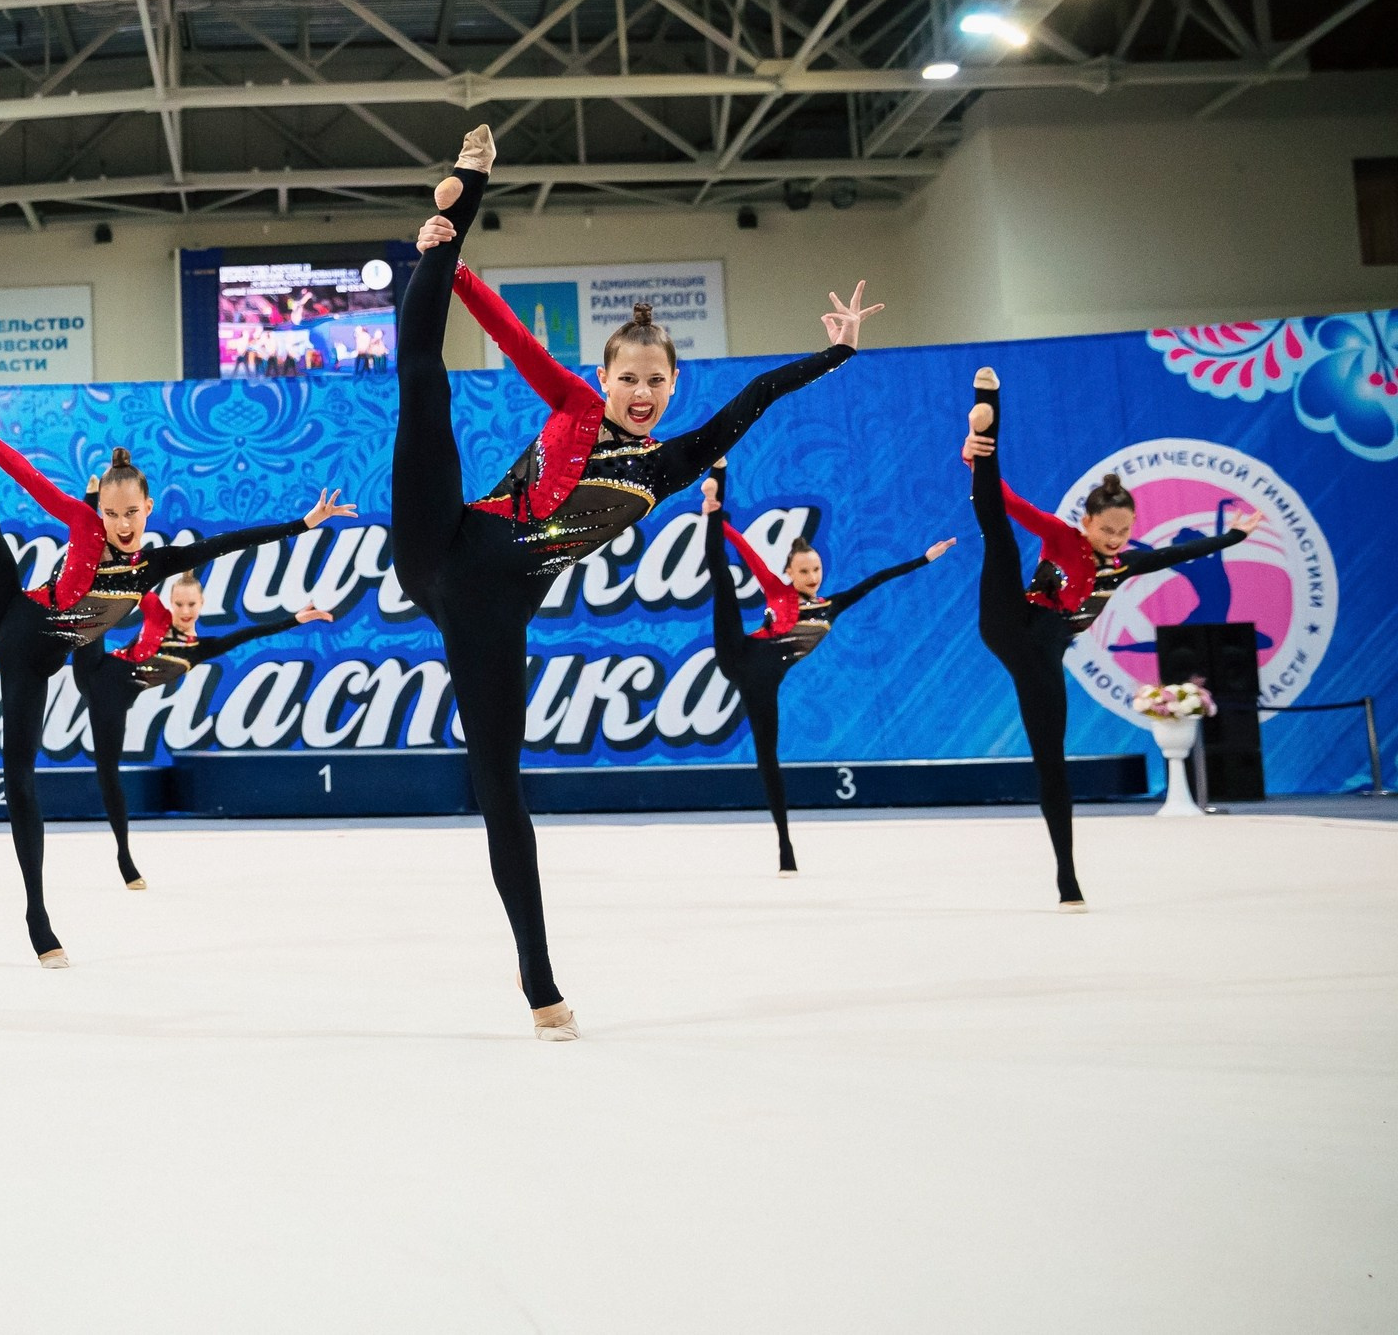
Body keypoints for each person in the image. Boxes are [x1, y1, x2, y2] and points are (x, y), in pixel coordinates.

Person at [399, 124, 879, 1040]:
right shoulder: (575, 406)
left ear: (672, 382)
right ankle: (459, 197)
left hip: (497, 609)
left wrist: (835, 354)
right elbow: (507, 340)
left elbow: (757, 400)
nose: (643, 389)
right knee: (424, 386)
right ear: (605, 377)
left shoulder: (668, 465)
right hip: (446, 545)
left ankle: (537, 978)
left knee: (502, 786)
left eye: (657, 378)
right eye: (629, 376)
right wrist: (454, 266)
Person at [0, 323, 355, 965]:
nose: (122, 524)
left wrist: (302, 524)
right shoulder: (82, 520)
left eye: (132, 513)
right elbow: (22, 474)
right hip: (17, 624)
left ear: (149, 508)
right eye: (111, 513)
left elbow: (225, 544)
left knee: (34, 770)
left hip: (55, 654)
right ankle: (38, 917)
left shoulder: (153, 567)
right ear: (98, 508)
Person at [962, 370, 1257, 908]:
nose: (1115, 541)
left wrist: (1234, 536)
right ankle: (987, 416)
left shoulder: (1123, 565)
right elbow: (1009, 502)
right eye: (1106, 531)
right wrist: (976, 461)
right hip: (1011, 620)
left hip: (1045, 652)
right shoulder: (1063, 535)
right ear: (1087, 520)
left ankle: (1067, 877)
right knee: (999, 539)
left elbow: (1174, 554)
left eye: (1123, 533)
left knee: (1051, 760)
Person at [698, 461, 953, 874]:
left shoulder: (833, 605)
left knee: (768, 758)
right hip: (739, 653)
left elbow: (875, 581)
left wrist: (923, 559)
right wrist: (720, 523)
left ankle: (785, 848)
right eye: (804, 571)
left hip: (764, 682)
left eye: (816, 569)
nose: (812, 576)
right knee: (722, 583)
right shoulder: (777, 589)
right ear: (789, 573)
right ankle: (716, 487)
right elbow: (745, 551)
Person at [67, 573, 333, 888]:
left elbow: (246, 634)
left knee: (108, 773)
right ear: (171, 603)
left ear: (202, 604)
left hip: (110, 699)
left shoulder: (199, 649)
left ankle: (124, 858)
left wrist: (295, 620)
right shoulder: (158, 616)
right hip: (95, 670)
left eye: (191, 603)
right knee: (94, 595)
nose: (185, 609)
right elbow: (136, 587)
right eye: (179, 603)